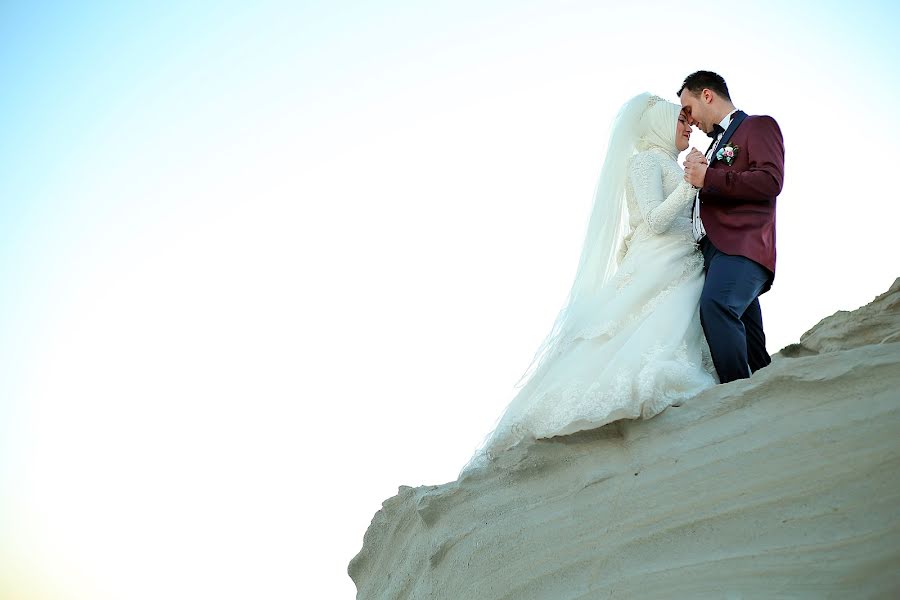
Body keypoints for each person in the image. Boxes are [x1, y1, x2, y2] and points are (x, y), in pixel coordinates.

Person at [461, 93, 717, 474]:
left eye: (686, 119)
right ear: (659, 124)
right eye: (679, 119)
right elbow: (654, 220)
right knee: (639, 336)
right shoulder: (646, 161)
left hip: (680, 261)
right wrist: (690, 185)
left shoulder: (666, 162)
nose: (687, 126)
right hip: (659, 261)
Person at [678, 71, 784, 383]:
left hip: (741, 247)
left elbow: (770, 180)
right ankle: (771, 397)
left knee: (716, 307)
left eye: (689, 108)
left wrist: (707, 177)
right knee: (752, 345)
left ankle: (736, 399)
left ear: (707, 95)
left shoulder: (758, 126)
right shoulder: (713, 146)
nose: (689, 119)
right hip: (712, 253)